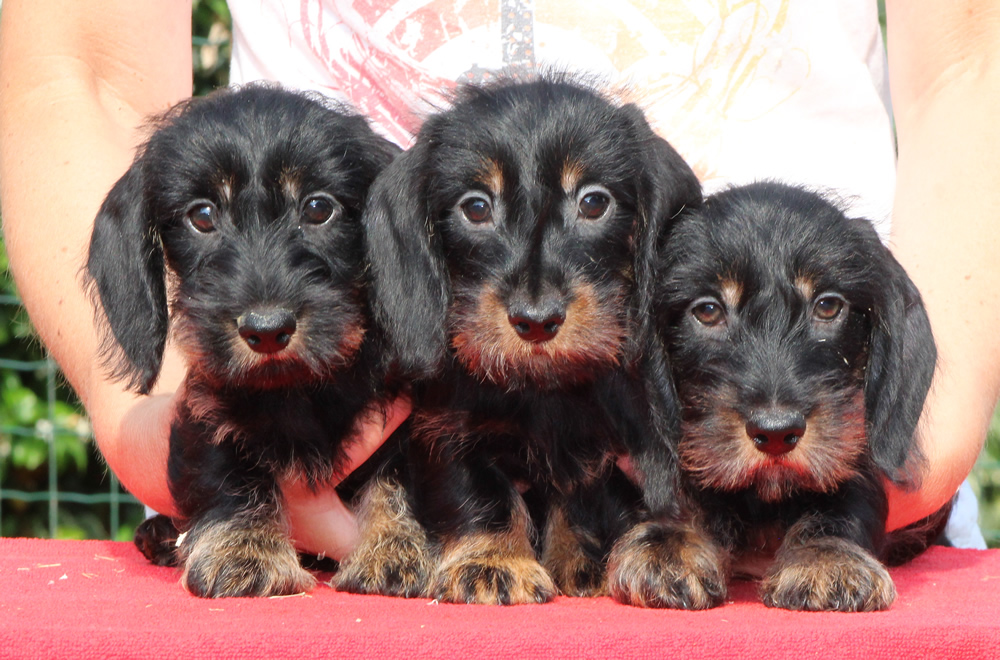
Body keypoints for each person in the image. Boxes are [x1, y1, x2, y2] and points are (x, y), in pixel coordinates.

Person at [0, 0, 995, 559]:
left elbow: (973, 56)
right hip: (340, 462)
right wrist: (208, 451)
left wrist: (914, 434)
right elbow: (75, 70)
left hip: (845, 505)